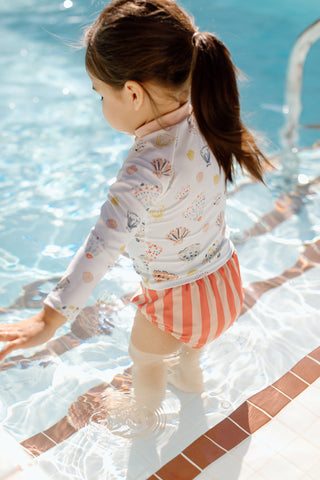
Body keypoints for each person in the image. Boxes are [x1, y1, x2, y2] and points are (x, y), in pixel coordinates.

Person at [0, 0, 269, 411]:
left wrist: (48, 318)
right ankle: (190, 380)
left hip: (173, 301)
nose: (101, 105)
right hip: (224, 285)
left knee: (145, 361)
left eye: (100, 95)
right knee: (187, 351)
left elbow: (103, 245)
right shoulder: (204, 116)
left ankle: (142, 415)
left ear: (132, 92)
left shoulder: (144, 171)